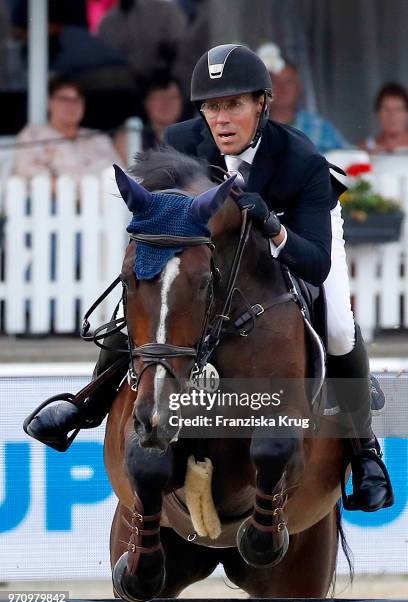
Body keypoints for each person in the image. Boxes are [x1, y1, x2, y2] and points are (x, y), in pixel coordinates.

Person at [25, 44, 393, 514]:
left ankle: (365, 452)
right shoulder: (182, 142)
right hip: (210, 253)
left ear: (262, 103)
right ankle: (89, 403)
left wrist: (274, 227)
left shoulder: (299, 158)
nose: (221, 119)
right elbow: (156, 230)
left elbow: (316, 263)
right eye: (212, 107)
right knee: (152, 296)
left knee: (339, 325)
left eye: (233, 104)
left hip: (294, 235)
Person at [12, 76, 121, 183]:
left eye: (76, 99)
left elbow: (120, 174)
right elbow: (26, 173)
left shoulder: (98, 138)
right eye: (63, 99)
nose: (71, 105)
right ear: (49, 102)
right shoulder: (33, 135)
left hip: (103, 197)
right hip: (52, 198)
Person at [256, 43, 348, 155]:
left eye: (288, 81)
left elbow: (348, 158)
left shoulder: (319, 127)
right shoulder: (251, 128)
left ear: (299, 86)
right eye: (275, 82)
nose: (282, 88)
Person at [114, 74, 185, 163]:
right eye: (160, 97)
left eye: (173, 97)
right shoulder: (131, 136)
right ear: (145, 102)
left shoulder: (196, 134)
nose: (167, 104)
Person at [359, 82, 408, 154]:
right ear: (378, 113)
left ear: (406, 113)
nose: (392, 115)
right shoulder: (367, 147)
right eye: (386, 109)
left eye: (398, 109)